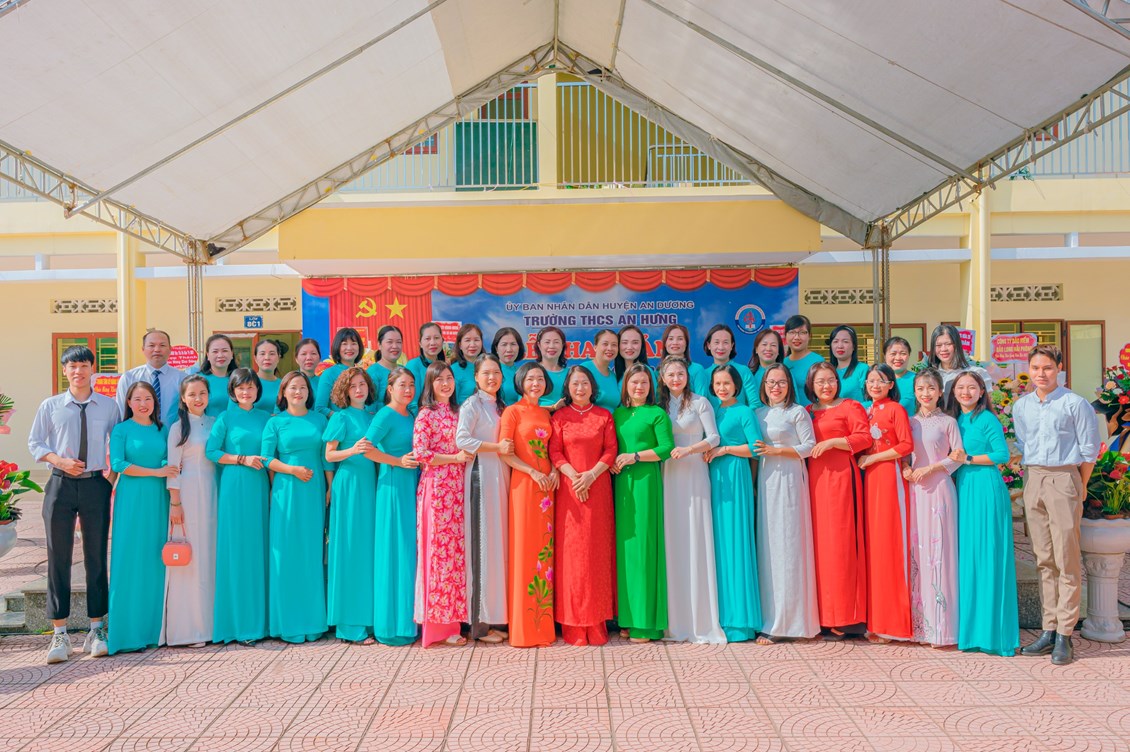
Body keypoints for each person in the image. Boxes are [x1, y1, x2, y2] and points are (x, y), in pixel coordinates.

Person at [28, 345, 120, 664]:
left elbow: (119, 442)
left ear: (92, 369)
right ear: (64, 370)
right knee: (58, 556)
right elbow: (35, 442)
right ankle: (60, 633)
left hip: (95, 484)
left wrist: (109, 480)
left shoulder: (108, 406)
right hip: (60, 484)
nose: (78, 371)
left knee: (96, 556)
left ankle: (96, 629)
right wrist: (59, 461)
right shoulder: (51, 405)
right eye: (72, 366)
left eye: (83, 365)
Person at [1013, 345, 1100, 665]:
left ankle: (1065, 633)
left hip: (1064, 478)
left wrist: (1080, 486)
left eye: (1047, 367)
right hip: (1033, 478)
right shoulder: (1021, 406)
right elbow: (1024, 443)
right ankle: (1048, 630)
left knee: (1066, 558)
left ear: (1059, 368)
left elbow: (1089, 451)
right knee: (1043, 558)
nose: (1041, 373)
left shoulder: (1074, 403)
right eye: (1035, 368)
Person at [947, 371, 1020, 657]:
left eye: (971, 387)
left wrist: (967, 458)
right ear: (953, 392)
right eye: (960, 387)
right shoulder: (956, 420)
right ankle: (971, 631)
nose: (965, 392)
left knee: (988, 557)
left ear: (981, 391)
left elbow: (1002, 455)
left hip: (986, 489)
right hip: (964, 489)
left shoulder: (987, 418)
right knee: (969, 557)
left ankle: (992, 633)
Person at [657, 356, 724, 644]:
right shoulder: (659, 405)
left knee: (696, 535)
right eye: (670, 374)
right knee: (672, 538)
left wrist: (689, 450)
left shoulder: (700, 402)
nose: (676, 379)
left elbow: (714, 438)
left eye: (680, 374)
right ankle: (673, 620)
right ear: (662, 378)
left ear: (688, 376)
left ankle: (701, 620)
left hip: (695, 472)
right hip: (668, 474)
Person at [549, 365, 618, 646]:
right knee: (572, 556)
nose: (580, 388)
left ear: (593, 387)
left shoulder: (604, 416)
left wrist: (591, 475)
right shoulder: (560, 417)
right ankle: (573, 623)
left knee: (596, 553)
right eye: (575, 383)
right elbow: (554, 450)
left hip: (598, 488)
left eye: (585, 383)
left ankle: (597, 621)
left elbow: (611, 449)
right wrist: (573, 475)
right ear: (568, 387)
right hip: (569, 491)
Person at [753, 364, 819, 643]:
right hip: (766, 480)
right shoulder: (759, 413)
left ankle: (789, 622)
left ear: (789, 385)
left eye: (781, 382)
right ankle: (770, 616)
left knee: (789, 546)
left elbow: (809, 446)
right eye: (770, 382)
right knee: (769, 548)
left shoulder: (797, 412)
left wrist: (776, 450)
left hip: (789, 478)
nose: (775, 387)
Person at [108, 382, 174, 654]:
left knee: (154, 559)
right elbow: (118, 464)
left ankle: (152, 631)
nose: (143, 404)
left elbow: (169, 459)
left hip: (158, 499)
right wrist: (156, 472)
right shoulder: (121, 430)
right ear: (128, 402)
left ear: (155, 402)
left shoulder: (163, 429)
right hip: (132, 499)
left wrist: (165, 468)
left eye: (148, 398)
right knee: (129, 559)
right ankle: (126, 634)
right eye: (137, 399)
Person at [263, 372, 330, 643]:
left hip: (314, 491)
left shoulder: (320, 420)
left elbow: (326, 456)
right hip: (286, 490)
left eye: (303, 387)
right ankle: (287, 622)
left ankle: (313, 621)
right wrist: (292, 470)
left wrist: (329, 487)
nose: (298, 392)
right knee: (287, 553)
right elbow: (266, 458)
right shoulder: (275, 422)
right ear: (283, 392)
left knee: (311, 551)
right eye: (293, 387)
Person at [805, 362, 871, 639]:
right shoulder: (807, 411)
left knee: (842, 544)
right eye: (820, 381)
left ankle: (847, 617)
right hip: (813, 481)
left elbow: (864, 438)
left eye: (831, 380)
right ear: (811, 385)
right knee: (818, 547)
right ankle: (822, 616)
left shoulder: (850, 407)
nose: (826, 386)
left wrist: (833, 442)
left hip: (842, 477)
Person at [206, 368, 271, 644]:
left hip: (260, 485)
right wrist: (241, 459)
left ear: (258, 390)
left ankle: (261, 622)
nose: (246, 392)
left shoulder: (266, 418)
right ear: (232, 391)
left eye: (250, 387)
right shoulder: (225, 418)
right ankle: (237, 624)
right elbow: (211, 451)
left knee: (258, 548)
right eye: (240, 388)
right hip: (235, 485)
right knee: (237, 549)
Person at [612, 362, 675, 643]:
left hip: (646, 482)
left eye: (644, 383)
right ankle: (627, 618)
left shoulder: (657, 414)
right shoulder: (619, 414)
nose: (639, 387)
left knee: (645, 548)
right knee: (626, 551)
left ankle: (647, 623)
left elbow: (666, 448)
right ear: (625, 385)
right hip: (621, 484)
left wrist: (635, 456)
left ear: (651, 387)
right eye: (634, 382)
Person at [499, 362, 559, 647]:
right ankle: (523, 629)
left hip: (548, 489)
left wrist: (554, 470)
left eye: (540, 379)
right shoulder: (512, 412)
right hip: (524, 486)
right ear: (521, 382)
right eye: (530, 379)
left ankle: (543, 627)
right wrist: (532, 472)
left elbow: (552, 449)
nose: (535, 383)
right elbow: (505, 453)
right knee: (524, 551)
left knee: (544, 552)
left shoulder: (546, 413)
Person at [413, 362, 472, 647]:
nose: (446, 384)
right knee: (437, 555)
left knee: (456, 557)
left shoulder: (459, 412)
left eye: (449, 378)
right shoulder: (426, 414)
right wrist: (454, 459)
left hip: (458, 491)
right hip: (437, 491)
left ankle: (455, 622)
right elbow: (421, 453)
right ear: (430, 384)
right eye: (439, 380)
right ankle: (437, 628)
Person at [455, 354, 513, 644]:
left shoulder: (500, 405)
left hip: (500, 476)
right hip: (481, 477)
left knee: (498, 545)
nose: (492, 378)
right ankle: (479, 624)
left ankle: (497, 616)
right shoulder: (472, 404)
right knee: (482, 545)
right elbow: (462, 439)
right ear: (476, 377)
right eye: (486, 373)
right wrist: (496, 447)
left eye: (496, 373)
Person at [903, 368, 962, 648]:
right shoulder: (910, 422)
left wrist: (929, 469)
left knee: (940, 554)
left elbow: (957, 457)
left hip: (939, 490)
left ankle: (943, 628)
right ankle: (919, 626)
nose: (925, 393)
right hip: (915, 491)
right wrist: (905, 468)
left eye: (930, 388)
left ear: (940, 392)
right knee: (917, 551)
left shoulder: (949, 422)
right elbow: (904, 453)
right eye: (920, 389)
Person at [706, 365, 763, 642]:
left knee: (736, 543)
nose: (722, 388)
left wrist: (725, 449)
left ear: (737, 385)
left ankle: (740, 621)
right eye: (717, 384)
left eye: (727, 383)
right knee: (717, 545)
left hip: (735, 476)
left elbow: (756, 447)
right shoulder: (713, 411)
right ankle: (718, 616)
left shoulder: (744, 412)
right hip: (712, 477)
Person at [364, 367, 421, 645]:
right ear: (390, 388)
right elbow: (366, 448)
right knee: (395, 550)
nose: (407, 390)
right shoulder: (385, 415)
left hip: (412, 484)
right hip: (393, 485)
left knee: (409, 551)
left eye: (411, 385)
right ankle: (390, 625)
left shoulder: (411, 414)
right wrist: (397, 462)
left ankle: (409, 621)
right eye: (402, 385)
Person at [858, 363, 914, 643]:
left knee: (890, 546)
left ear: (892, 384)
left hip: (889, 478)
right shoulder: (865, 410)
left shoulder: (896, 409)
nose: (875, 385)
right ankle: (875, 620)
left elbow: (906, 445)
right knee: (874, 548)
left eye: (881, 380)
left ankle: (893, 624)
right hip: (869, 480)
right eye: (871, 381)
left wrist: (874, 458)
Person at [323, 367, 378, 643]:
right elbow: (329, 455)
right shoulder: (340, 417)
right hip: (349, 485)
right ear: (344, 391)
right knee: (349, 548)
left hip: (370, 485)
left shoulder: (372, 416)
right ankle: (349, 624)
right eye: (353, 386)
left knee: (367, 550)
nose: (358, 390)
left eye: (362, 385)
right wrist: (353, 450)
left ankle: (369, 620)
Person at [163, 375, 218, 648]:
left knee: (210, 554)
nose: (198, 399)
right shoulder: (178, 428)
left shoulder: (215, 423)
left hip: (213, 490)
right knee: (191, 557)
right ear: (183, 399)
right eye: (192, 394)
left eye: (202, 393)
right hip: (188, 492)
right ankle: (189, 630)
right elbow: (173, 468)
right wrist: (175, 502)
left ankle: (212, 624)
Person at [115, 329, 185, 424]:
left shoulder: (182, 379)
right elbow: (121, 411)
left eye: (162, 345)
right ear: (143, 349)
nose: (157, 350)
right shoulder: (129, 378)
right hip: (138, 432)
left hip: (172, 432)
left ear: (170, 349)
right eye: (151, 345)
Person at [693, 324, 755, 408]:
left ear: (732, 345)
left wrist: (743, 415)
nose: (721, 347)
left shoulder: (744, 371)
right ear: (709, 345)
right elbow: (700, 405)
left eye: (725, 342)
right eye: (716, 342)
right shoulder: (703, 374)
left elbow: (755, 403)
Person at [927, 324, 993, 394]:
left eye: (948, 344)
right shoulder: (928, 376)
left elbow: (987, 400)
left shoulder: (978, 373)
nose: (943, 349)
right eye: (938, 345)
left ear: (957, 345)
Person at [315, 327, 364, 415]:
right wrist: (342, 418)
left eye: (353, 343)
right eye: (344, 344)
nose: (349, 348)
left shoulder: (362, 373)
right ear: (337, 347)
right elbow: (320, 408)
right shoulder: (329, 374)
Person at [783, 315, 824, 407]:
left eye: (802, 332)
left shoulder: (818, 361)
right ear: (785, 335)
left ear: (809, 336)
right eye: (792, 332)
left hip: (812, 413)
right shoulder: (783, 363)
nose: (797, 337)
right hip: (788, 414)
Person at [745, 328, 785, 410]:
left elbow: (794, 403)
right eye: (764, 344)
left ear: (778, 351)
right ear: (756, 349)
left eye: (773, 345)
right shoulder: (748, 375)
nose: (768, 348)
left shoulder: (785, 374)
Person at [198, 334, 237, 417]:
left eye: (225, 351)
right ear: (208, 355)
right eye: (215, 351)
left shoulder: (239, 379)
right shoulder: (198, 380)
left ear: (232, 354)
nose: (220, 355)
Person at [583, 329, 621, 412]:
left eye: (614, 345)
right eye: (605, 344)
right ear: (595, 347)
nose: (610, 348)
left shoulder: (613, 376)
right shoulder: (583, 370)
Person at [828, 326, 867, 402]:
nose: (840, 346)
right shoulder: (827, 371)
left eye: (845, 341)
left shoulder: (863, 369)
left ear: (854, 346)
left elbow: (871, 401)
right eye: (835, 341)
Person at [366, 325, 404, 403]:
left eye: (398, 342)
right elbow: (369, 406)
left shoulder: (404, 371)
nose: (395, 346)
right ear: (379, 345)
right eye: (390, 342)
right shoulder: (372, 372)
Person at [407, 322, 447, 394]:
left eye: (436, 338)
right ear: (420, 343)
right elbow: (412, 398)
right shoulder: (413, 365)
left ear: (442, 340)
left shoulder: (446, 366)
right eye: (427, 339)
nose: (433, 343)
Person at [534, 326, 568, 410]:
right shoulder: (531, 371)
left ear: (562, 345)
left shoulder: (571, 373)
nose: (551, 346)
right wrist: (553, 408)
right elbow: (524, 406)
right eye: (547, 342)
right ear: (539, 345)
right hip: (537, 417)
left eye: (556, 342)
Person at [882, 336, 918, 415]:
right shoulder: (878, 381)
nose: (898, 358)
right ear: (885, 356)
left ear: (909, 355)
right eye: (893, 354)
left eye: (903, 353)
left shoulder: (917, 380)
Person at [491, 326, 526, 405]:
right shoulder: (491, 372)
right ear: (496, 348)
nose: (509, 349)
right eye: (504, 344)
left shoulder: (523, 372)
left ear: (519, 347)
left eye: (513, 344)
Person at [451, 324, 485, 405]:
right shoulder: (453, 370)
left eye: (476, 340)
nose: (472, 345)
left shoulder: (487, 366)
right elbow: (452, 403)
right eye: (467, 340)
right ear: (460, 345)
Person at [252, 338, 287, 414]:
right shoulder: (246, 383)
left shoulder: (285, 385)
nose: (267, 358)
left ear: (278, 357)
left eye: (272, 354)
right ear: (255, 358)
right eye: (262, 354)